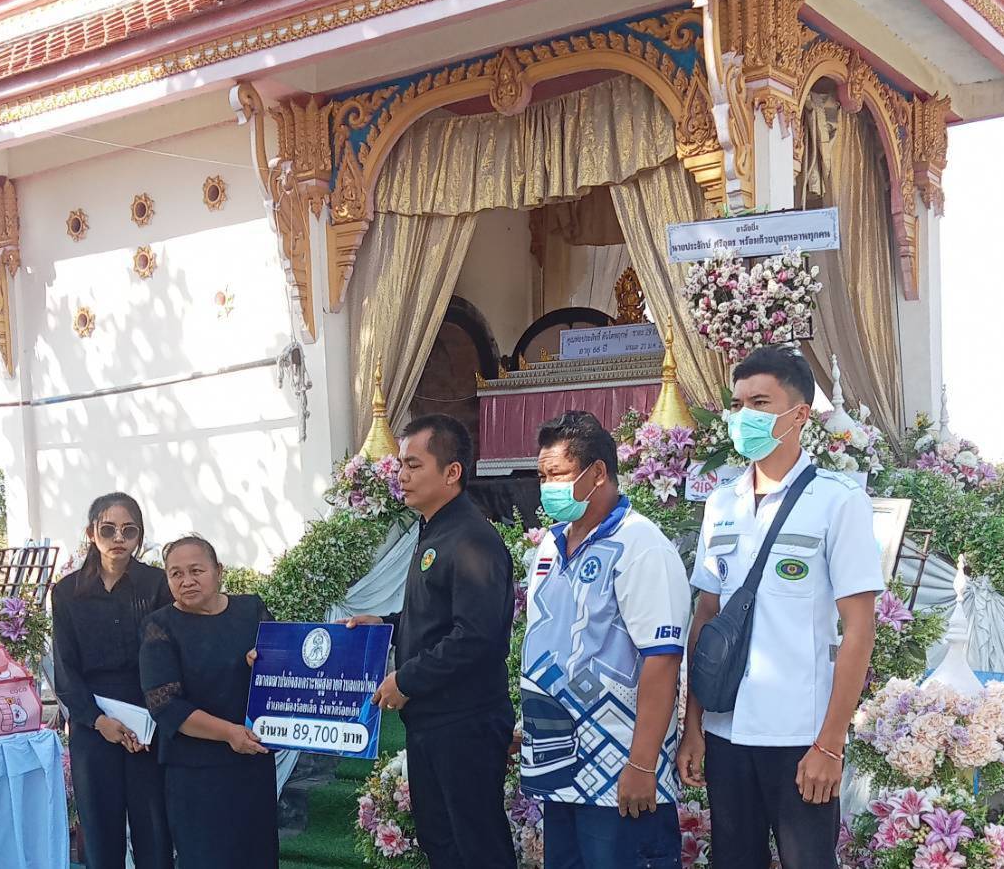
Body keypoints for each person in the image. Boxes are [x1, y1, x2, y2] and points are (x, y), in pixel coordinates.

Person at [676, 346, 884, 869]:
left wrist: (830, 745)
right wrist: (694, 726)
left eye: (760, 403)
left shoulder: (837, 501)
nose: (743, 416)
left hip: (799, 737)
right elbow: (706, 618)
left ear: (798, 414)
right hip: (726, 732)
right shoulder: (721, 503)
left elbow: (859, 630)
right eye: (737, 404)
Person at [346, 413, 516, 869]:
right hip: (433, 721)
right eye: (401, 464)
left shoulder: (471, 539)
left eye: (414, 465)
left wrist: (407, 679)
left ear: (451, 472)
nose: (401, 475)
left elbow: (477, 637)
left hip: (465, 723)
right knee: (441, 843)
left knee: (476, 846)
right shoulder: (434, 529)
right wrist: (384, 624)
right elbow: (436, 617)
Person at [521, 409, 690, 869]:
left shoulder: (641, 545)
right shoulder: (550, 545)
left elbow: (662, 659)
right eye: (542, 476)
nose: (547, 487)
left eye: (558, 474)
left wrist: (642, 763)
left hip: (620, 774)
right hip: (560, 769)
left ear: (597, 473)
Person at [138, 535, 277, 869]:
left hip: (252, 764)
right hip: (195, 774)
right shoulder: (159, 626)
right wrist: (229, 733)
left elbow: (282, 670)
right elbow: (165, 705)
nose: (186, 581)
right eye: (176, 574)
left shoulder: (251, 609)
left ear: (218, 571)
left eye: (196, 570)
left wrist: (265, 663)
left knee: (257, 857)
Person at [51, 492, 174, 869]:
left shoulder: (157, 584)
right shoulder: (66, 592)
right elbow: (64, 667)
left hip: (146, 721)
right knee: (99, 830)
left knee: (154, 828)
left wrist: (152, 719)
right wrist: (97, 720)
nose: (118, 538)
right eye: (108, 529)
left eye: (129, 530)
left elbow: (167, 654)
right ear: (91, 533)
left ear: (139, 536)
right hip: (92, 721)